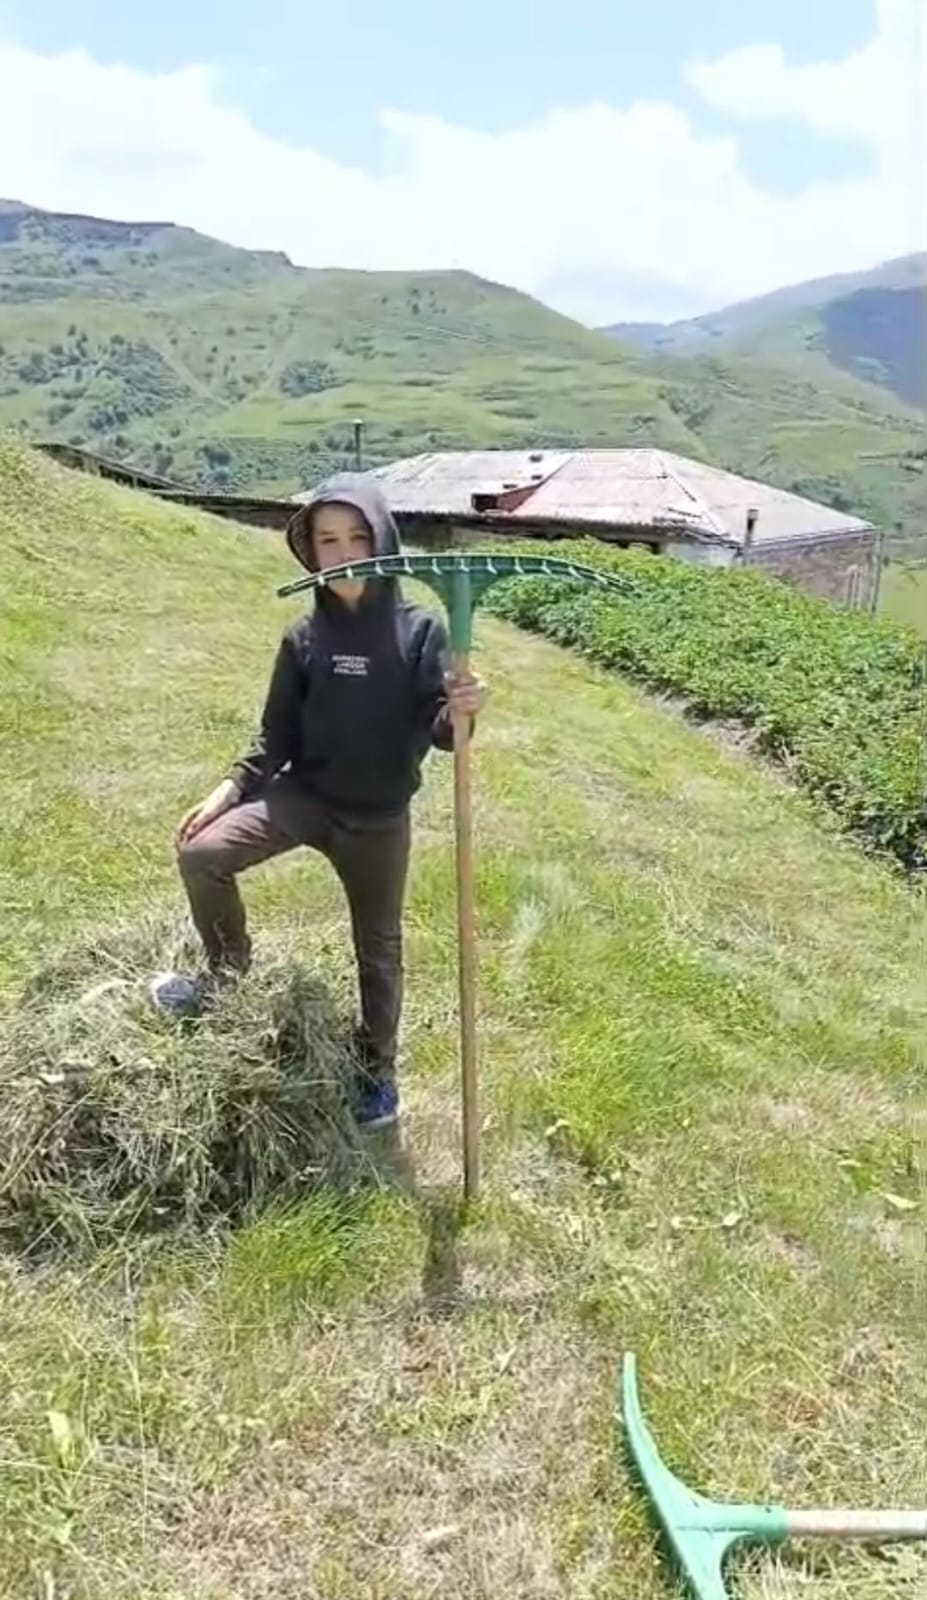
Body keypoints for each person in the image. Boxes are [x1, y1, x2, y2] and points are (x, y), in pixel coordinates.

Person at [151, 474, 487, 1129]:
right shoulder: (303, 637)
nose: (345, 553)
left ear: (384, 540)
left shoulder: (421, 631)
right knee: (201, 855)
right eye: (328, 540)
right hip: (304, 797)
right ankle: (227, 976)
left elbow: (446, 735)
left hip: (377, 820)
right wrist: (226, 791)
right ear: (309, 551)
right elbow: (274, 735)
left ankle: (377, 1073)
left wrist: (465, 708)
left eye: (359, 536)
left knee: (379, 948)